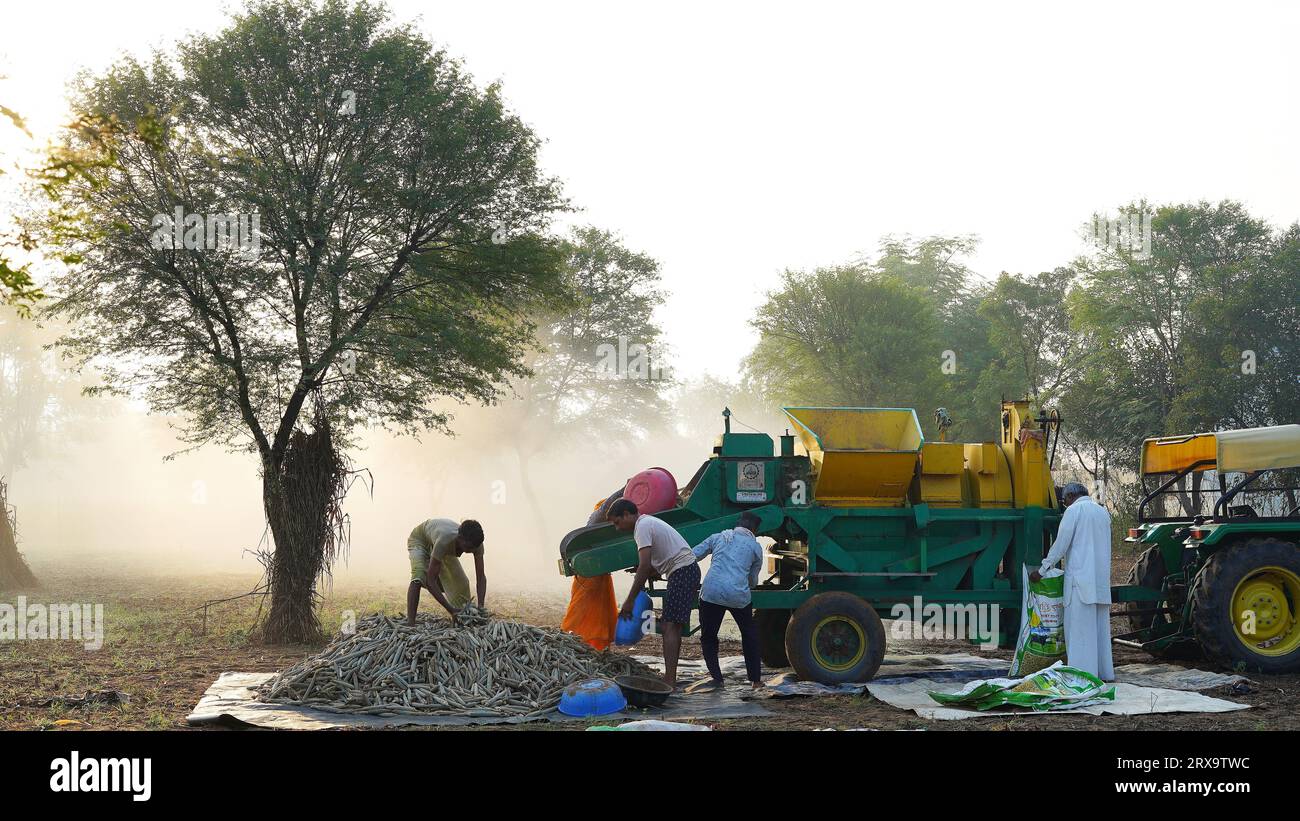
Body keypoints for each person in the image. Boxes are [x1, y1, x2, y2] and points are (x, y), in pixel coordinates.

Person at [608, 498, 700, 688]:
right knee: (670, 625)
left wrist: (630, 600)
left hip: (683, 570)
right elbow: (654, 564)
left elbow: (644, 565)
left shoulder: (642, 527)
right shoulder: (647, 523)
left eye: (617, 522)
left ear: (627, 514)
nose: (617, 528)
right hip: (683, 570)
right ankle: (670, 677)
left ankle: (670, 680)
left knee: (670, 627)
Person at [1030, 483, 1114, 680]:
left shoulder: (1074, 511)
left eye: (1064, 500)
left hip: (1080, 581)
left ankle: (1081, 675)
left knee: (1079, 632)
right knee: (1099, 631)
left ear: (1070, 496)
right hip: (1100, 581)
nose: (1064, 503)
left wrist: (1042, 570)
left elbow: (1060, 545)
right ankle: (1104, 673)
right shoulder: (1102, 512)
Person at [691, 511, 765, 689]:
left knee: (709, 637)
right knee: (749, 635)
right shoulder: (755, 547)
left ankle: (717, 678)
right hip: (738, 597)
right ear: (754, 529)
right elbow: (753, 581)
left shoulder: (718, 537)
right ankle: (755, 680)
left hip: (711, 592)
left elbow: (693, 555)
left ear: (737, 524)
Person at [406, 518, 486, 626]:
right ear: (460, 538)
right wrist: (450, 609)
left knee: (461, 583)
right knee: (419, 577)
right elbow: (430, 581)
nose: (470, 551)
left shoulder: (476, 543)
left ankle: (461, 619)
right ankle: (411, 622)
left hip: (439, 542)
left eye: (473, 549)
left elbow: (480, 577)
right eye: (467, 548)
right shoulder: (444, 541)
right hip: (420, 540)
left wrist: (480, 607)